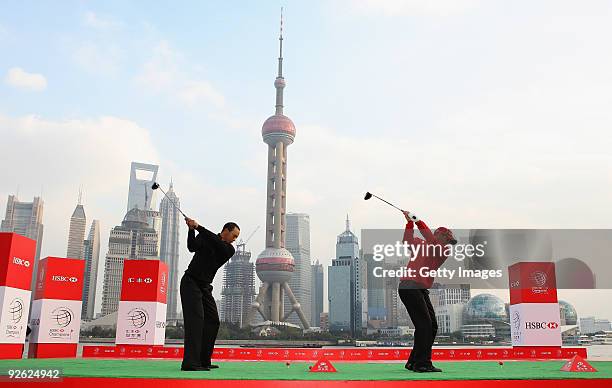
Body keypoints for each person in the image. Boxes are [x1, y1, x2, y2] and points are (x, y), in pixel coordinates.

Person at [398, 210, 456, 373]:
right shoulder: (421, 244)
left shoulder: (443, 251)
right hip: (409, 286)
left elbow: (431, 241)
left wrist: (418, 221)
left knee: (432, 326)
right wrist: (409, 222)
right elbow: (407, 240)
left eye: (450, 241)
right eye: (447, 239)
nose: (449, 243)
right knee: (424, 325)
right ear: (439, 235)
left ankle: (414, 361)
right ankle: (422, 363)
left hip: (419, 289)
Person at [180, 218, 240, 371]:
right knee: (196, 321)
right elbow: (191, 247)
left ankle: (203, 360)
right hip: (190, 282)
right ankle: (190, 363)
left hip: (205, 287)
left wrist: (199, 226)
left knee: (213, 321)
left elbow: (216, 243)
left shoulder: (228, 249)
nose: (235, 240)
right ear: (225, 231)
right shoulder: (206, 237)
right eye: (234, 236)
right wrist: (191, 230)